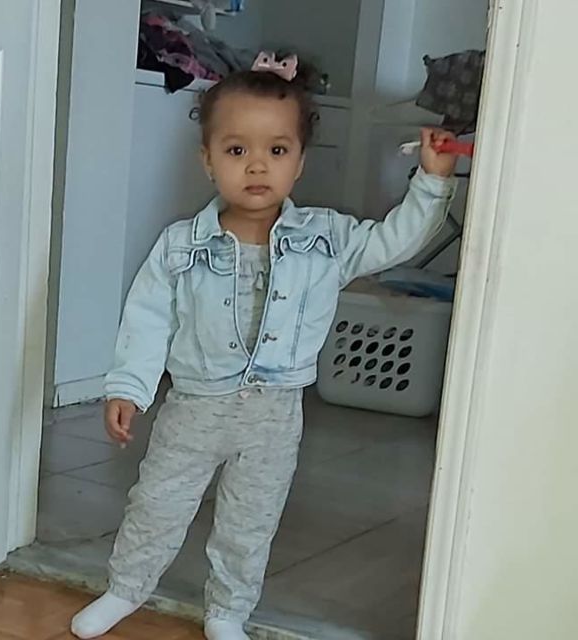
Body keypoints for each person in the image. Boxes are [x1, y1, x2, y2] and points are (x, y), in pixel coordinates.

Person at [70, 52, 458, 640]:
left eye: (277, 150)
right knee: (157, 505)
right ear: (208, 159)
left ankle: (228, 612)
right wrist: (129, 387)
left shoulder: (326, 239)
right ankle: (125, 589)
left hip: (275, 415)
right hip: (195, 408)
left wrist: (431, 181)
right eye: (236, 150)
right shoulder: (181, 245)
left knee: (249, 522)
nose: (257, 165)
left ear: (299, 161)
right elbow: (147, 319)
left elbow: (394, 243)